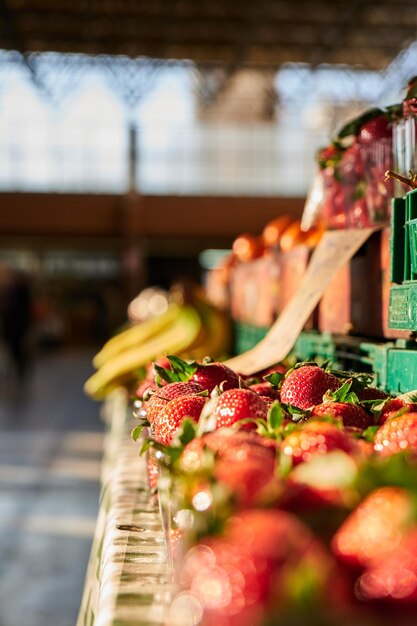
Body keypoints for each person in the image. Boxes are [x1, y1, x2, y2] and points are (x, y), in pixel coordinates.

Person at [0, 267, 33, 381]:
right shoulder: (8, 290)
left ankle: (20, 367)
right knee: (12, 347)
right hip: (10, 324)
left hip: (18, 324)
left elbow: (23, 310)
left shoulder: (22, 290)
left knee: (17, 346)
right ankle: (16, 367)